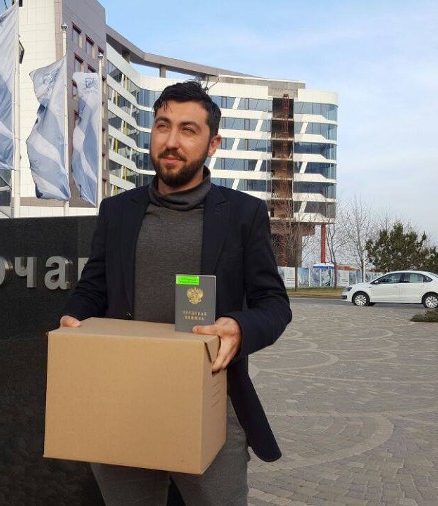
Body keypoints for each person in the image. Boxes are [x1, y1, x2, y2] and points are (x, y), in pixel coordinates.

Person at [60, 81, 291, 506]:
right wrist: (73, 318)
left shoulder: (243, 214)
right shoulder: (118, 211)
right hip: (122, 398)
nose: (171, 141)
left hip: (210, 402)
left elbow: (274, 305)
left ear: (213, 143)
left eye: (188, 130)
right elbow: (93, 288)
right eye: (163, 126)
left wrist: (240, 327)